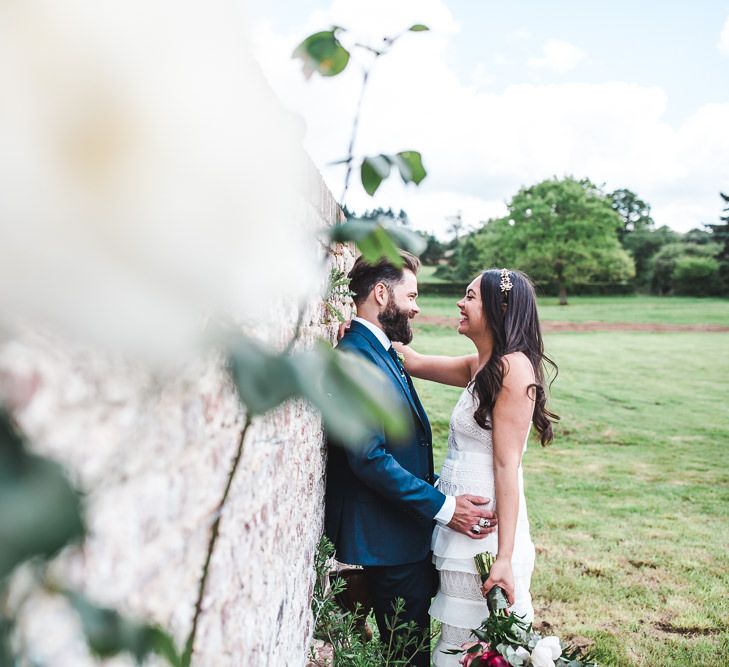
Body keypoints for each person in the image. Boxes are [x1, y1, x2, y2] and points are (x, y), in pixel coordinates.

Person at [325, 252, 499, 667]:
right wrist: (446, 508)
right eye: (412, 295)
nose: (417, 307)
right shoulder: (357, 357)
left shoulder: (377, 349)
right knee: (407, 656)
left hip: (403, 532)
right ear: (381, 294)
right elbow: (368, 458)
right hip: (389, 540)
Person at [393, 268, 558, 666]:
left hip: (484, 532)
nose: (460, 303)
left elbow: (506, 465)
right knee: (461, 639)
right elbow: (411, 361)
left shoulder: (512, 369)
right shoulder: (481, 365)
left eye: (470, 296)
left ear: (499, 308)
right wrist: (365, 328)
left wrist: (503, 558)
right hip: (460, 523)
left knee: (479, 644)